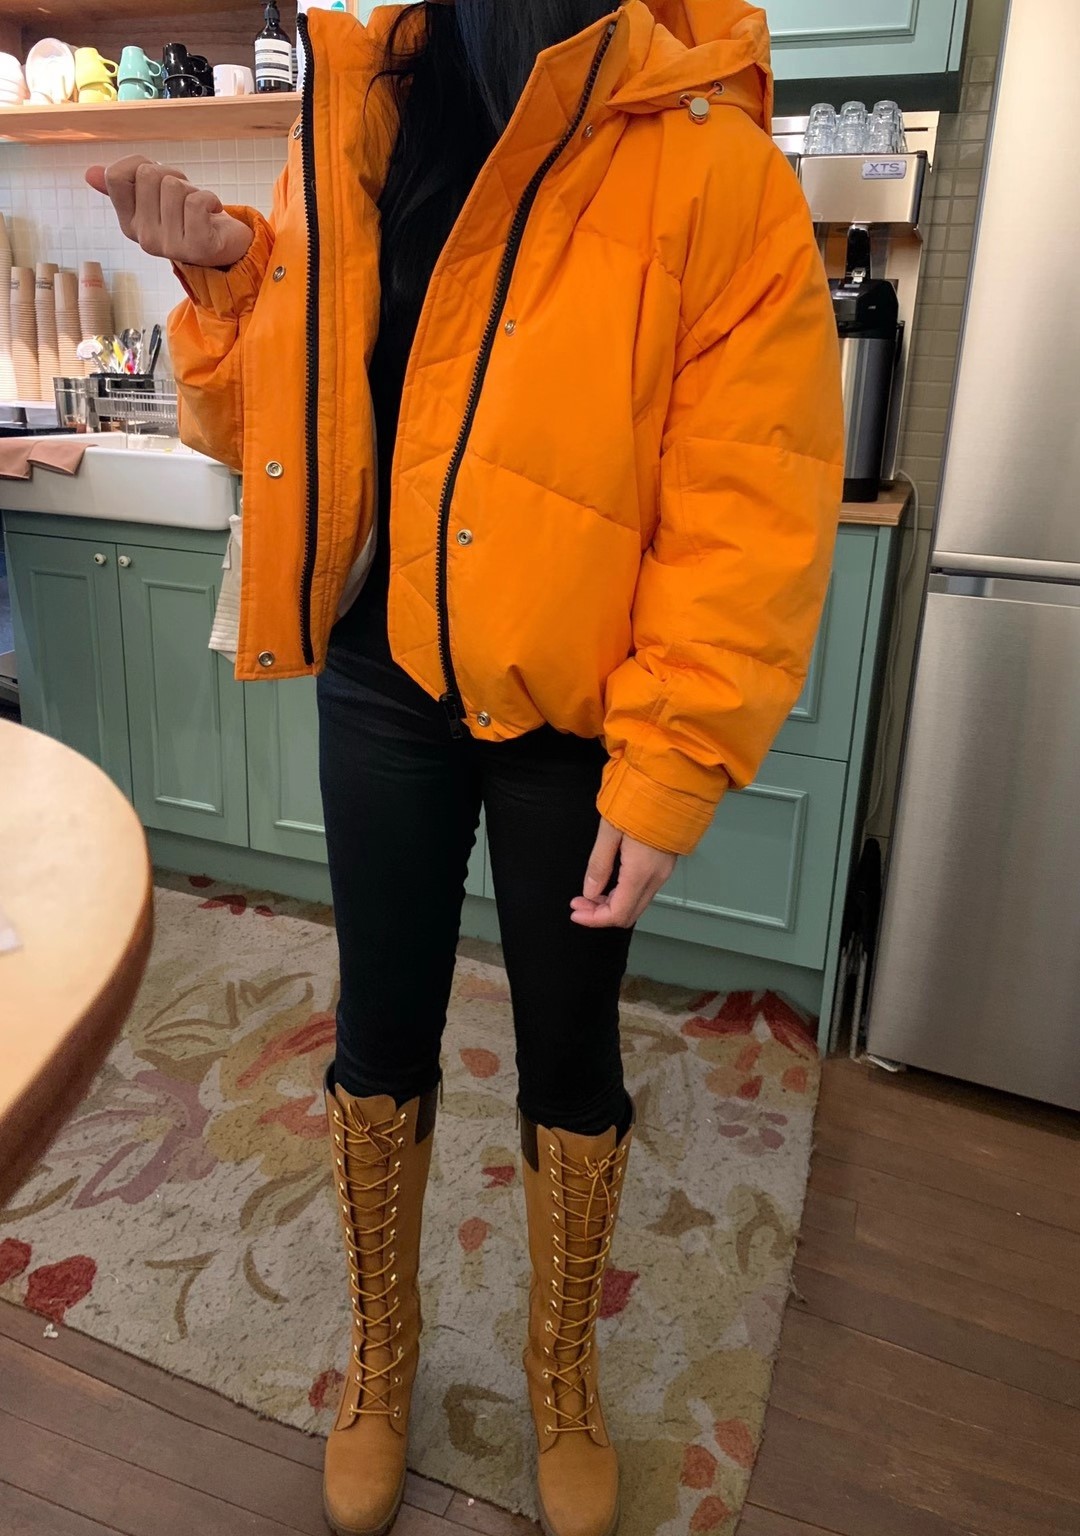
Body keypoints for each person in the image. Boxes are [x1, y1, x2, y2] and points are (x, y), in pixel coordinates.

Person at [89, 1, 842, 1531]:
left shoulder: (716, 160)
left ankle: (562, 1372)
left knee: (572, 1050)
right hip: (382, 677)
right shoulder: (368, 102)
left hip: (574, 704)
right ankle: (385, 1353)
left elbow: (747, 495)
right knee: (380, 1031)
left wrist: (673, 760)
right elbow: (263, 429)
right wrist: (229, 279)